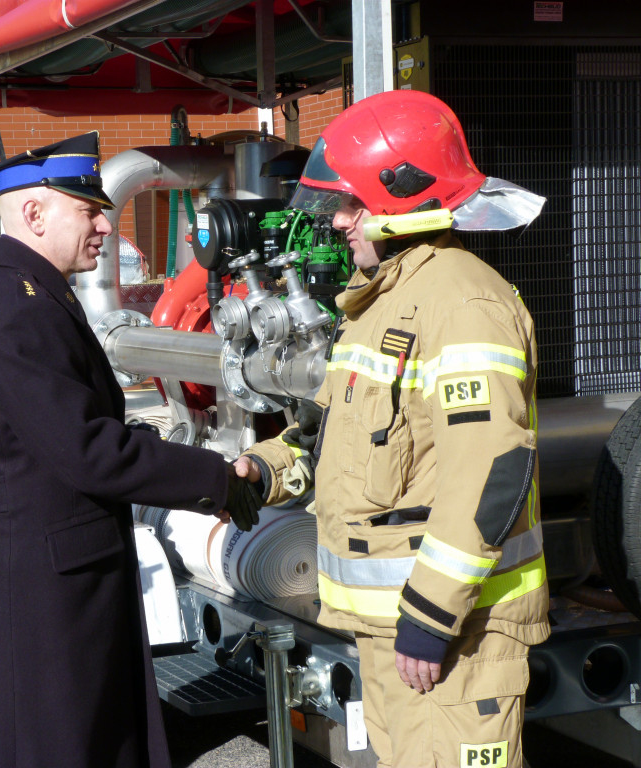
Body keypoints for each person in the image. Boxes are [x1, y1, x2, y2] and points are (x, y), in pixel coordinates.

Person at [235, 90, 549, 768]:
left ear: (403, 197)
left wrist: (432, 617)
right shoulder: (377, 305)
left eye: (350, 203)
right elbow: (326, 437)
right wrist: (261, 471)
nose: (340, 221)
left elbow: (491, 472)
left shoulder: (464, 303)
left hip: (453, 639)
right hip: (388, 633)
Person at [0, 131, 263, 768]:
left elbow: (62, 434)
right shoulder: (18, 310)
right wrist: (218, 477)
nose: (105, 224)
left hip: (45, 570)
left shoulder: (29, 294)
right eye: (87, 210)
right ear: (34, 214)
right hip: (38, 585)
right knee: (55, 744)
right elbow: (89, 450)